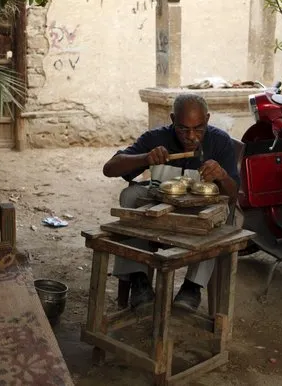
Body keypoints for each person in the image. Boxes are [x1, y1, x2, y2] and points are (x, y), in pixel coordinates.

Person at [103, 93, 240, 311]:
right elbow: (109, 168)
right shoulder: (156, 138)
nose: (192, 136)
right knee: (129, 195)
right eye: (183, 129)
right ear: (172, 119)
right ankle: (138, 279)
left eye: (199, 128)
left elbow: (233, 196)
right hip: (158, 211)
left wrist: (222, 176)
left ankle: (192, 287)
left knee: (223, 212)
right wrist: (145, 158)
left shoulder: (220, 141)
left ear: (207, 119)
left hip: (196, 216)